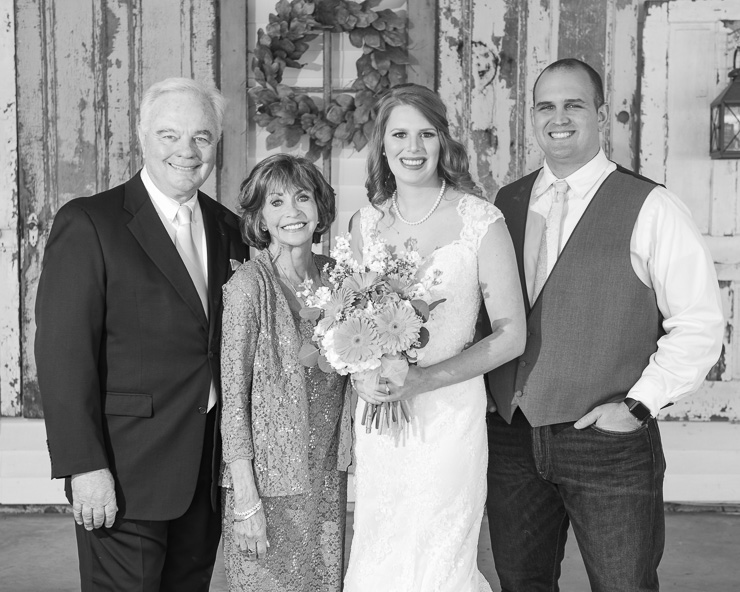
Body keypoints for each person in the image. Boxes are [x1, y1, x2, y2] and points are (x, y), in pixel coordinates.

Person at [486, 59, 724, 592]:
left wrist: (637, 407)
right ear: (532, 117)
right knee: (521, 583)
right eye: (546, 106)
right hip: (512, 439)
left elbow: (699, 324)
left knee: (624, 585)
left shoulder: (652, 206)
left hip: (607, 443)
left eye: (573, 104)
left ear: (600, 114)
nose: (559, 117)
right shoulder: (507, 202)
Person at [35, 77, 248, 591]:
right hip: (124, 472)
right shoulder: (91, 222)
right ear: (142, 136)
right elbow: (63, 356)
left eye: (201, 137)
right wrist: (84, 466)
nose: (186, 150)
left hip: (205, 471)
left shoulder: (229, 228)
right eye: (169, 135)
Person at [343, 83, 527, 592]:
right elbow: (350, 322)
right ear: (382, 145)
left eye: (426, 134)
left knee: (439, 555)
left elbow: (512, 335)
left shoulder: (481, 221)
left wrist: (422, 380)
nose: (413, 147)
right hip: (381, 418)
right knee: (380, 546)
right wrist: (362, 375)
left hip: (449, 415)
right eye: (400, 134)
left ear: (443, 141)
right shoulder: (365, 224)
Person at [219, 154, 352, 592]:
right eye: (276, 202)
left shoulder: (339, 280)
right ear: (260, 218)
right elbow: (233, 402)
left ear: (320, 208)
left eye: (302, 198)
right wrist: (245, 500)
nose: (292, 211)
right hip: (265, 488)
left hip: (325, 480)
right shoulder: (248, 287)